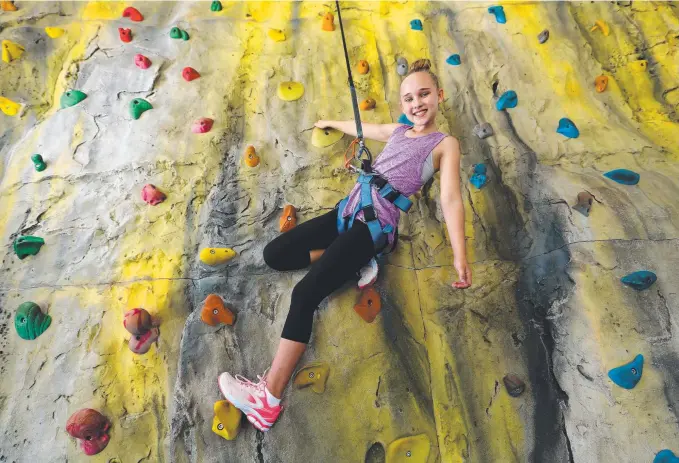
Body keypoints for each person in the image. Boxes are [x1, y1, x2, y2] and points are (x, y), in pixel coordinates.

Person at [218, 58, 472, 432]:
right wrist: (329, 122)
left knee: (305, 294)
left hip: (373, 226)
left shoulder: (444, 144)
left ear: (439, 95)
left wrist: (460, 256)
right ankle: (352, 263)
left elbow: (450, 198)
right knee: (275, 255)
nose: (416, 103)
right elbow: (364, 126)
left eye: (424, 94)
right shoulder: (401, 131)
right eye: (408, 98)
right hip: (347, 212)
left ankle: (267, 398)